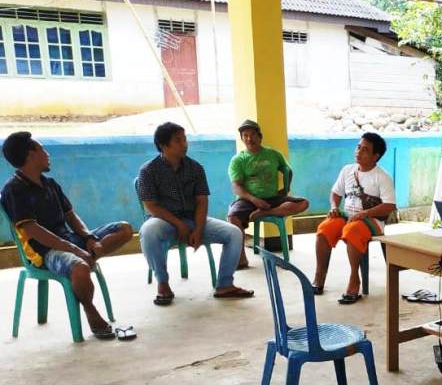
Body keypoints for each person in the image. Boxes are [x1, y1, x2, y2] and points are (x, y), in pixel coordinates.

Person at [1, 132, 133, 339]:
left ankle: (85, 261)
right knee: (80, 268)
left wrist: (89, 238)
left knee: (124, 229)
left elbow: (71, 216)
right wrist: (75, 250)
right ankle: (90, 311)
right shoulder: (13, 190)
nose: (47, 154)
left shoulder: (50, 184)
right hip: (45, 252)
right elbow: (33, 231)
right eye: (42, 150)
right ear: (31, 155)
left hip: (71, 240)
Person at [137, 122, 253, 305]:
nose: (184, 144)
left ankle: (224, 284)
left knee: (234, 233)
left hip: (194, 219)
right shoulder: (148, 171)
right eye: (178, 140)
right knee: (148, 231)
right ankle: (163, 283)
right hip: (164, 221)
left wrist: (198, 229)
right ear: (163, 145)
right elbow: (150, 205)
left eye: (184, 139)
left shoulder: (195, 168)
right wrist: (178, 224)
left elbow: (201, 201)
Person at [312, 132, 395, 302]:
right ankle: (319, 276)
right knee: (324, 229)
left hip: (372, 221)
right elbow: (335, 193)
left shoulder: (382, 177)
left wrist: (365, 213)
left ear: (375, 156)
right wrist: (334, 207)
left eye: (365, 150)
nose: (358, 151)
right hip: (347, 216)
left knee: (352, 231)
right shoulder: (347, 170)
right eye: (358, 147)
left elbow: (389, 205)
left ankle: (354, 279)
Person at [226, 119, 309, 269]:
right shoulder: (238, 160)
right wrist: (254, 200)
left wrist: (285, 191)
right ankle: (241, 258)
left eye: (252, 134)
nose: (249, 139)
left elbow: (287, 170)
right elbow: (237, 186)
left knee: (303, 203)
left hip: (273, 197)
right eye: (245, 135)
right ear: (242, 138)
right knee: (233, 216)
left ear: (260, 136)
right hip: (249, 200)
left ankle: (266, 212)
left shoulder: (273, 154)